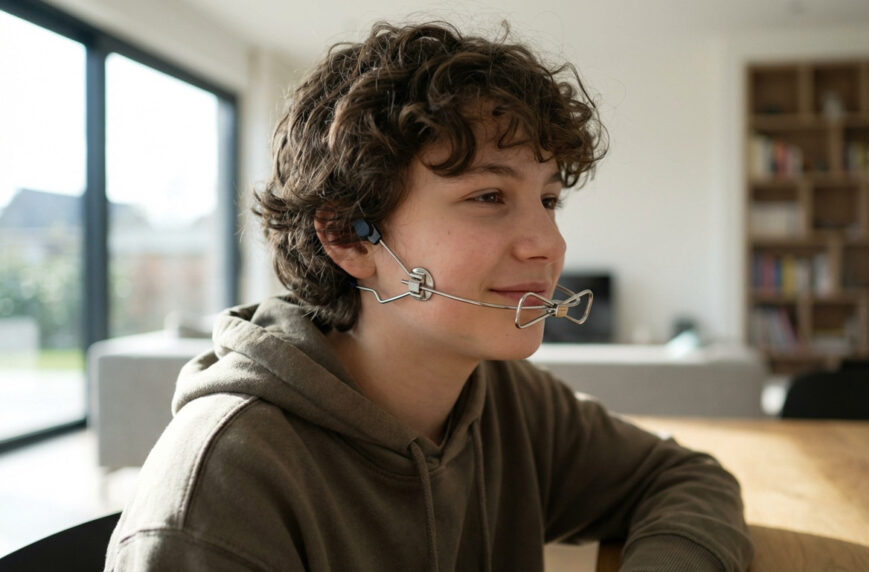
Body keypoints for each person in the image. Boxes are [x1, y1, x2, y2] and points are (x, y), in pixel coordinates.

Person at [105, 21, 753, 571]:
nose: (549, 244)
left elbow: (686, 478)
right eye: (489, 196)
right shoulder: (221, 494)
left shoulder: (504, 400)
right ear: (349, 236)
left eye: (549, 200)